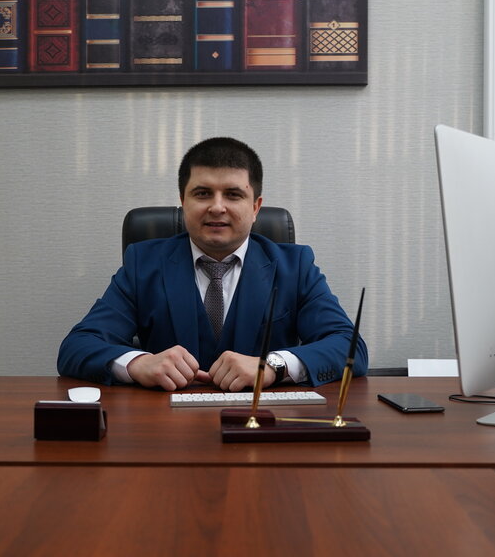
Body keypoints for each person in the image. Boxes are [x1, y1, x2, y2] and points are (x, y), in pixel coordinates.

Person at [57, 137, 367, 391]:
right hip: (166, 426)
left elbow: (350, 347)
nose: (217, 207)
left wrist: (273, 366)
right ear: (183, 201)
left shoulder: (295, 266)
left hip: (262, 424)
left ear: (255, 207)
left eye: (233, 195)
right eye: (203, 193)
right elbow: (77, 346)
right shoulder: (143, 264)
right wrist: (138, 364)